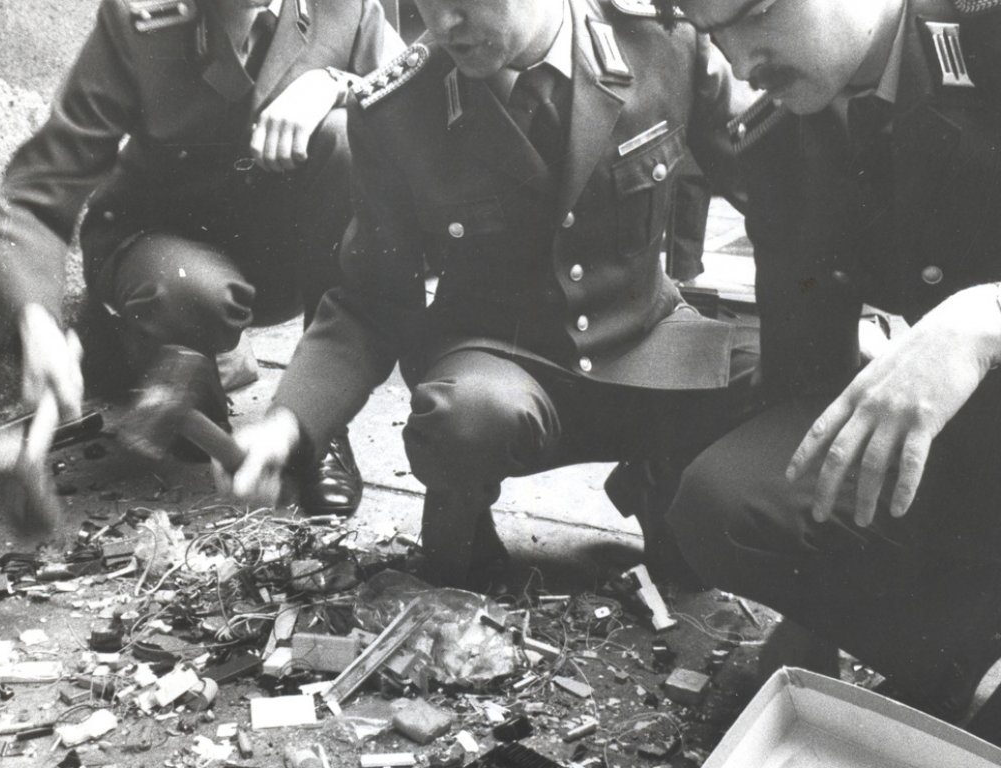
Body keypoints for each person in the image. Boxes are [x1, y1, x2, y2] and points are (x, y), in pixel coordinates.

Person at [216, 0, 761, 589]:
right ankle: (462, 512)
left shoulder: (663, 41)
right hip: (501, 362)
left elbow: (776, 186)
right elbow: (369, 303)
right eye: (428, 3)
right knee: (465, 418)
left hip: (647, 343)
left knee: (795, 368)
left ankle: (665, 480)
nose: (446, 24)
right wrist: (288, 424)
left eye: (469, 3)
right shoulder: (398, 109)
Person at [665, 0, 1001, 738]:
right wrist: (809, 605)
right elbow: (803, 372)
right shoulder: (782, 141)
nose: (740, 62)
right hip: (969, 452)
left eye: (754, 15)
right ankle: (958, 659)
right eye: (715, 35)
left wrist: (985, 318)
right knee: (727, 501)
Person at [0, 0, 404, 517]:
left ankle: (319, 429)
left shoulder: (348, 8)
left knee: (346, 141)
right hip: (162, 252)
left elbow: (413, 98)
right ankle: (178, 374)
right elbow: (35, 191)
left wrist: (338, 85)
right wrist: (35, 321)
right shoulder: (142, 21)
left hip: (282, 260)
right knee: (192, 293)